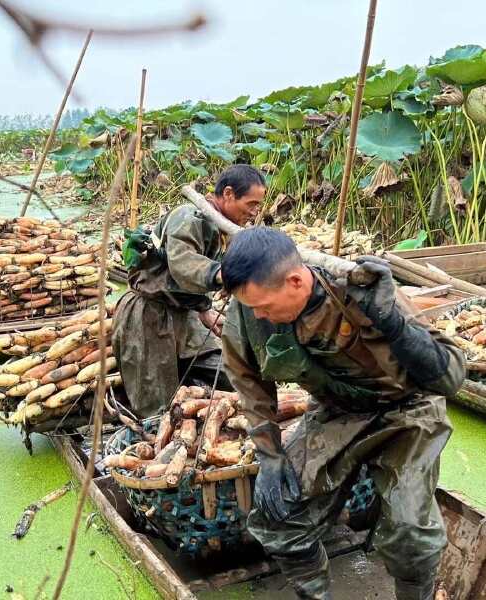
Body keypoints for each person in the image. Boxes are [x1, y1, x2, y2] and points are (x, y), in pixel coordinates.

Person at [220, 227, 465, 600]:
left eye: (264, 306)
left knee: (410, 531)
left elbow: (448, 377)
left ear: (295, 280)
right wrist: (269, 456)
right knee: (278, 516)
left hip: (408, 411)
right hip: (338, 412)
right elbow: (248, 381)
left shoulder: (363, 290)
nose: (257, 314)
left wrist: (393, 324)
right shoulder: (249, 310)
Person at [112, 164, 266, 417]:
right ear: (228, 194)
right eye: (251, 204)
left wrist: (204, 309)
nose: (254, 211)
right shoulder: (189, 217)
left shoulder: (221, 227)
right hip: (148, 315)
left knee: (230, 372)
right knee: (158, 406)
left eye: (257, 205)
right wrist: (225, 275)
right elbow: (184, 265)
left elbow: (188, 280)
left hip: (184, 315)